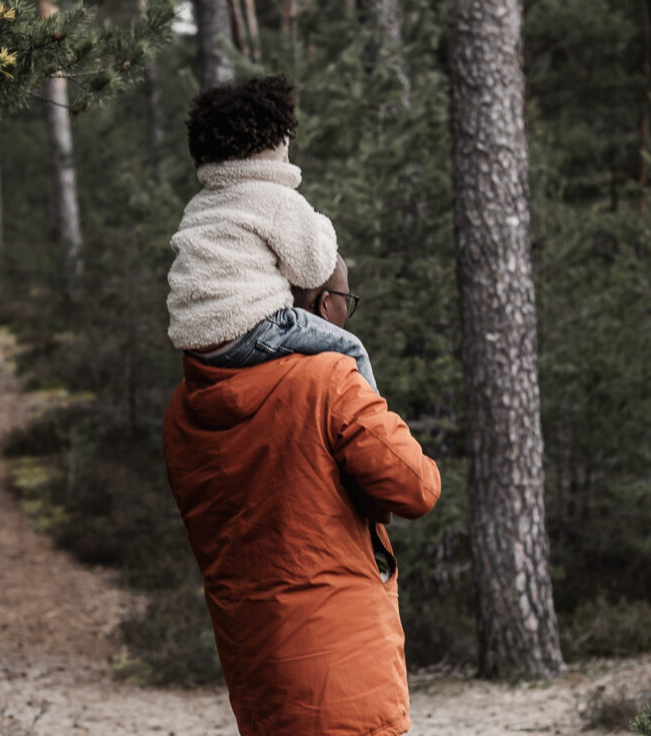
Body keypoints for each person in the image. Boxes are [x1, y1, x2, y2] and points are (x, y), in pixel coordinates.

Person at [162, 257, 441, 735]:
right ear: (324, 305)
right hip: (343, 675)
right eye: (347, 301)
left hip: (254, 669)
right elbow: (417, 487)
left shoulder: (184, 407)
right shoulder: (328, 380)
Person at [166, 75, 377, 393]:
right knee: (351, 349)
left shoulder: (200, 204)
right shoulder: (275, 198)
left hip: (197, 342)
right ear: (275, 148)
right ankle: (372, 418)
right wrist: (320, 226)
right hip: (248, 330)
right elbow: (313, 269)